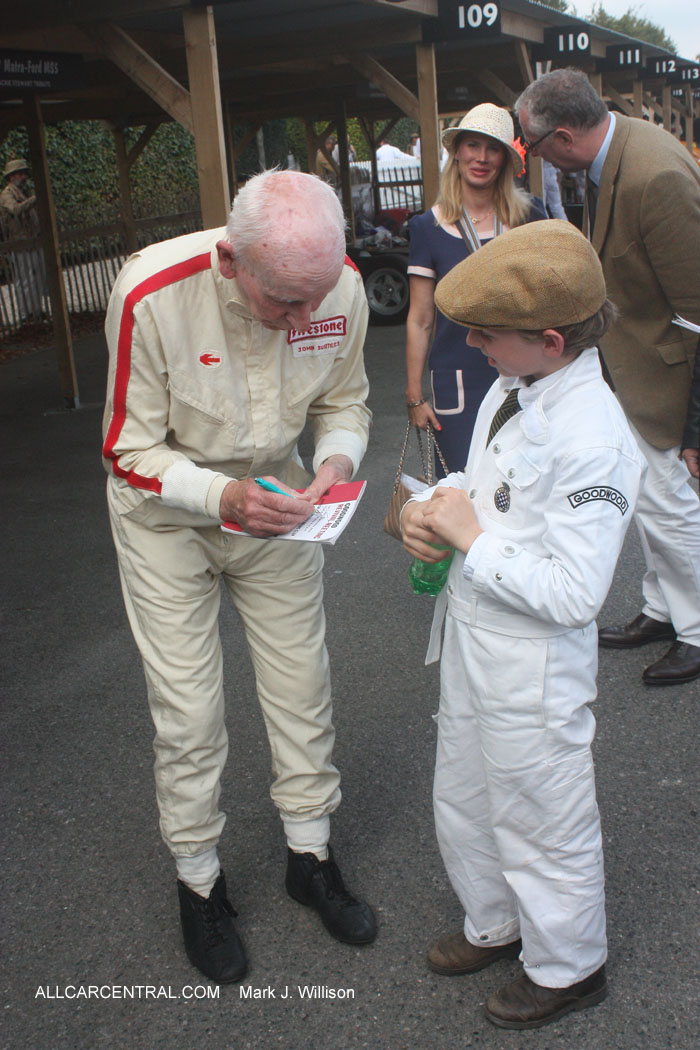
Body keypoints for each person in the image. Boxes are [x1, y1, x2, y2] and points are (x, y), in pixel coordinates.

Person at [102, 170, 376, 985]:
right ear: (230, 261)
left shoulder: (340, 288)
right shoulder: (149, 293)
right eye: (284, 300)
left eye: (314, 298)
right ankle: (199, 882)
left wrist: (332, 463)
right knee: (188, 710)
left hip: (280, 500)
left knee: (302, 682)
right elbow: (127, 448)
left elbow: (345, 401)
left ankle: (310, 854)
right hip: (169, 517)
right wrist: (222, 497)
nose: (303, 317)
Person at [401, 220, 645, 1030]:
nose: (469, 343)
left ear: (549, 338)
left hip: (534, 661)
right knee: (466, 793)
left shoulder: (596, 435)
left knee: (542, 813)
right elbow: (482, 479)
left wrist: (470, 538)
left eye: (485, 333)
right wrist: (426, 511)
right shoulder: (518, 383)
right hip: (477, 635)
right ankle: (496, 922)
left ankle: (570, 965)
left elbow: (578, 592)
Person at [515, 68, 700, 686]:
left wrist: (698, 426)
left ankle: (697, 629)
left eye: (532, 147)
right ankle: (663, 610)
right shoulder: (612, 155)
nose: (533, 159)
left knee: (672, 507)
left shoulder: (657, 176)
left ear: (563, 137)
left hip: (665, 379)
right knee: (648, 501)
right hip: (634, 368)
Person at [405, 103, 547, 476]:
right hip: (458, 376)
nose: (481, 158)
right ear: (457, 152)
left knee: (520, 481)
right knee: (460, 485)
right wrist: (414, 394)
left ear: (504, 157)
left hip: (523, 372)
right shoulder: (427, 227)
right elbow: (420, 319)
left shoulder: (530, 216)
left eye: (493, 148)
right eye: (472, 145)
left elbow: (548, 300)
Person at [0, 157, 48, 321]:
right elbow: (14, 210)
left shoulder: (23, 192)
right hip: (20, 243)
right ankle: (26, 314)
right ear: (11, 176)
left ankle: (36, 310)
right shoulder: (7, 194)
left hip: (32, 240)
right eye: (20, 174)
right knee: (25, 280)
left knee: (37, 277)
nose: (23, 177)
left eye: (23, 173)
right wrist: (34, 199)